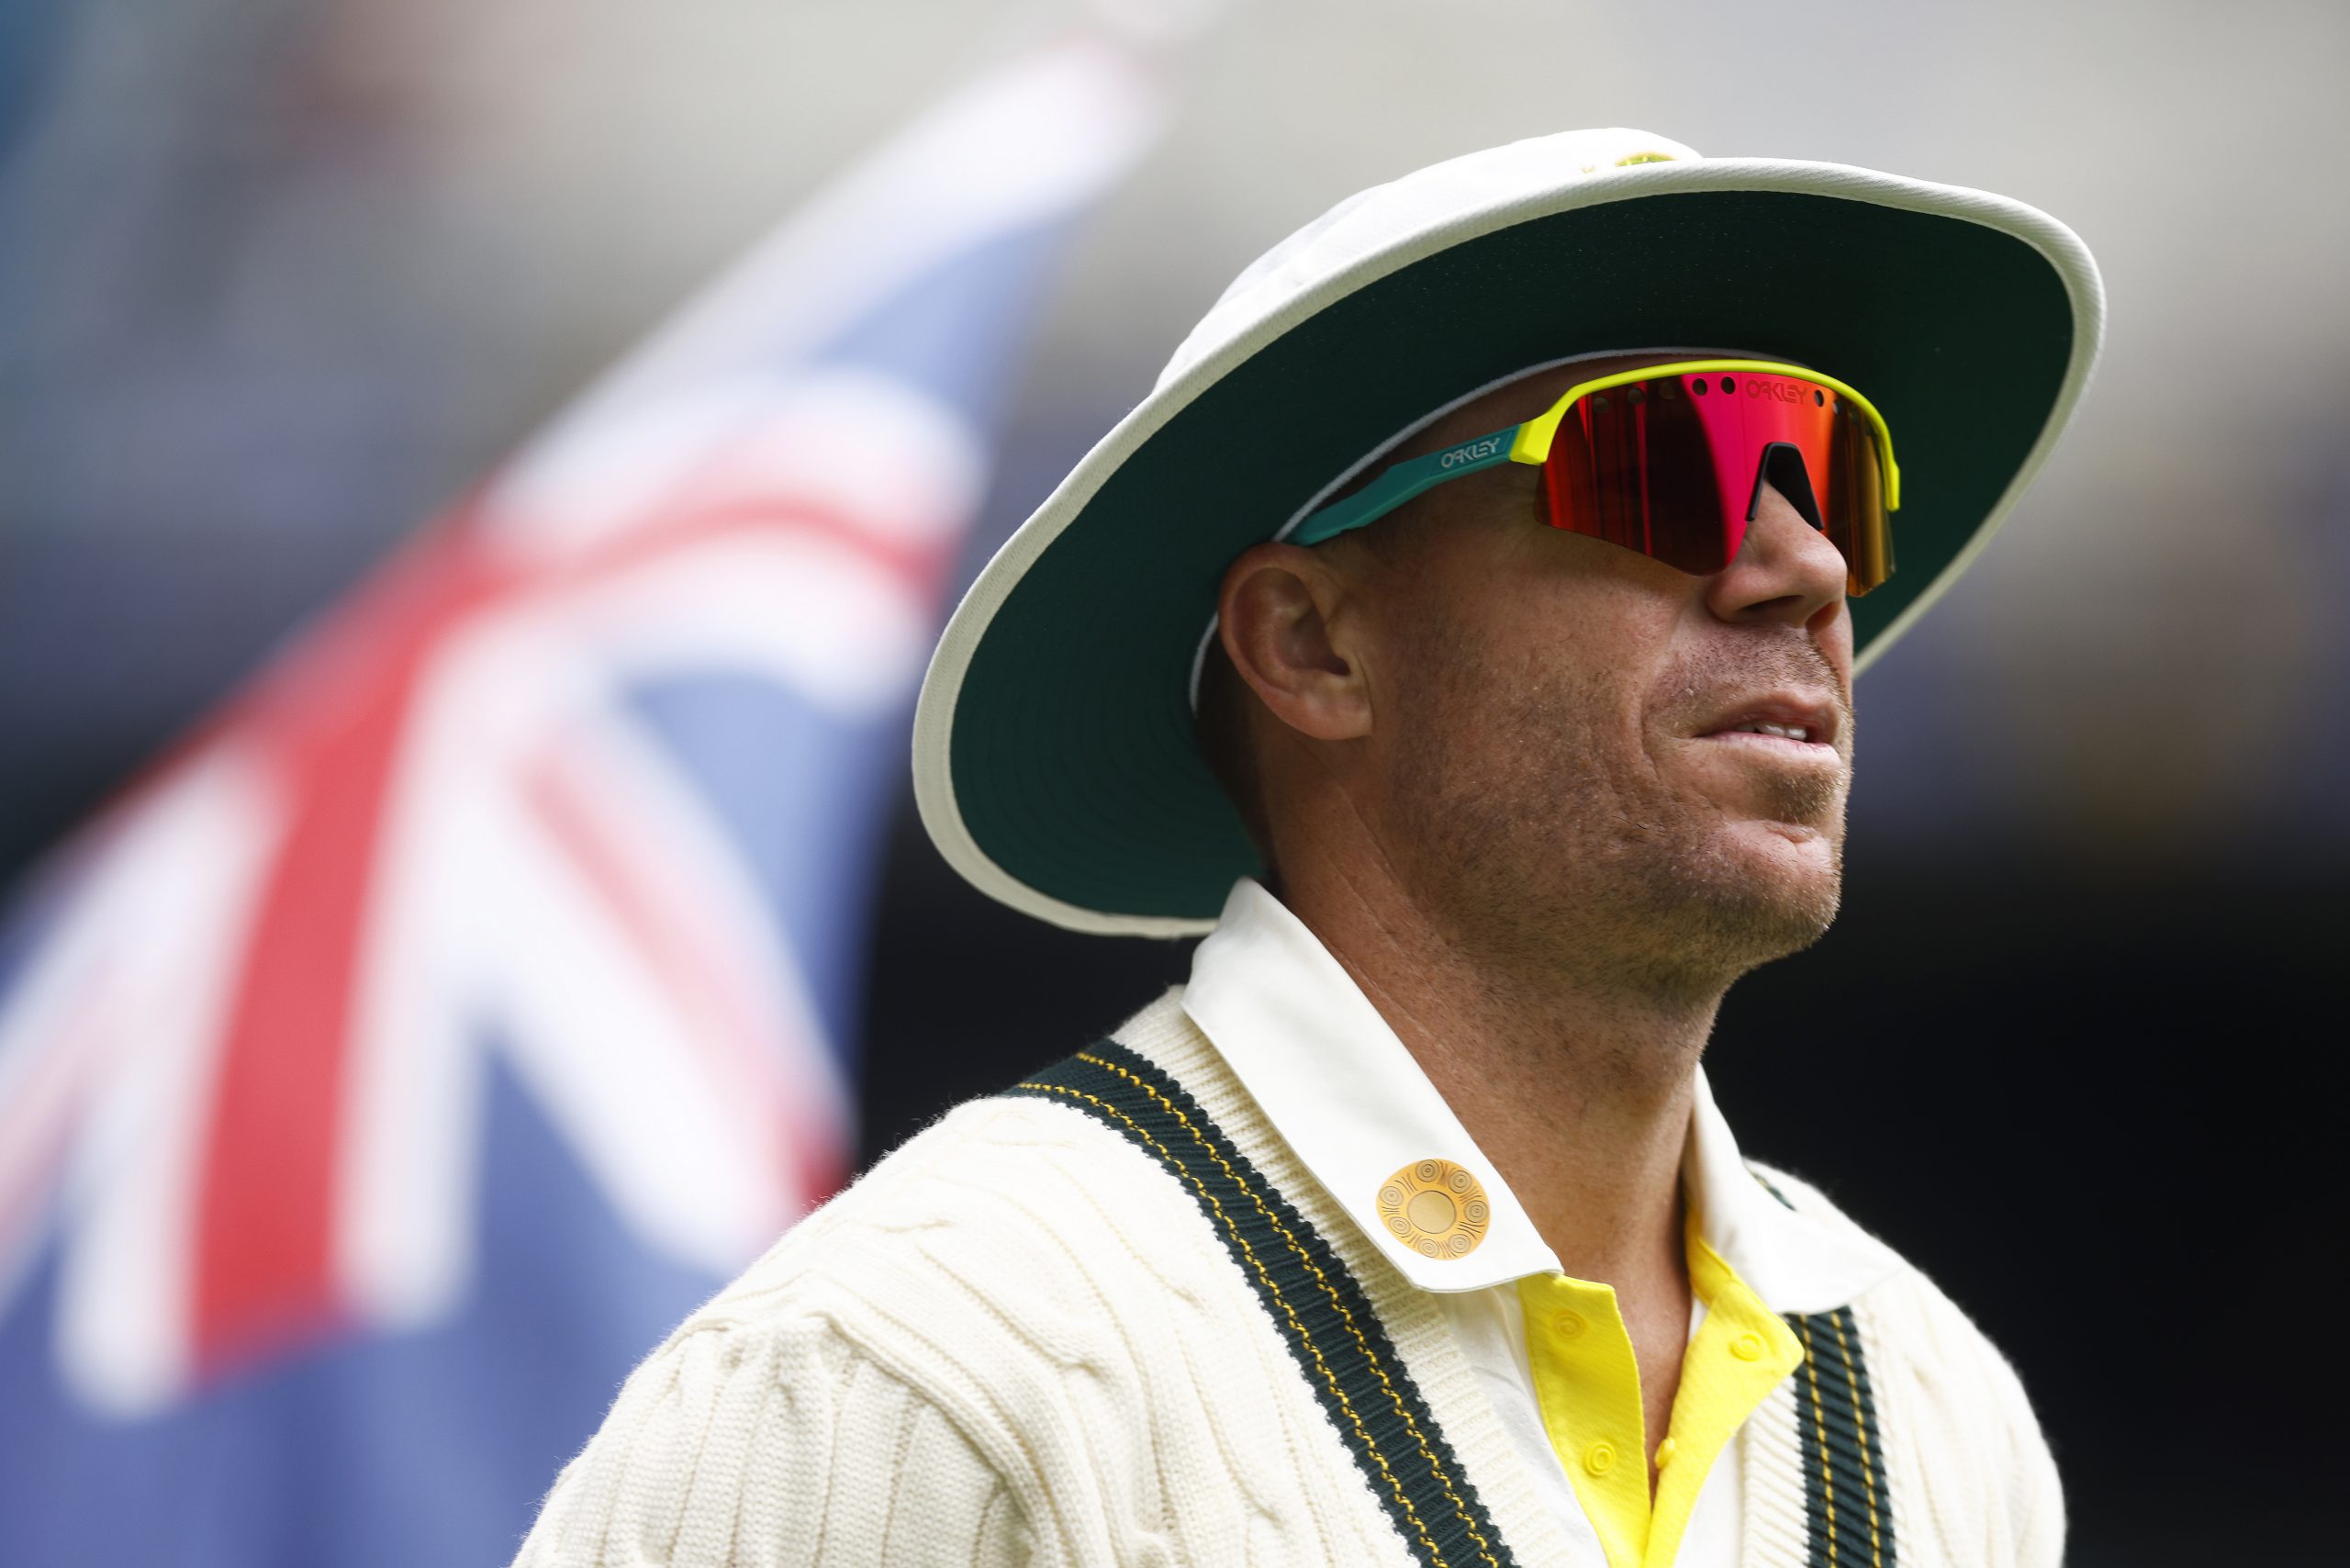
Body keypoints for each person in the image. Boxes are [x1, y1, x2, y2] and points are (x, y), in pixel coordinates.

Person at [514, 128, 2104, 1567]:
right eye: (1666, 465)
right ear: (1312, 644)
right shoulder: (915, 1370)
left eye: (1831, 473)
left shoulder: (1936, 1414)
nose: (1810, 571)